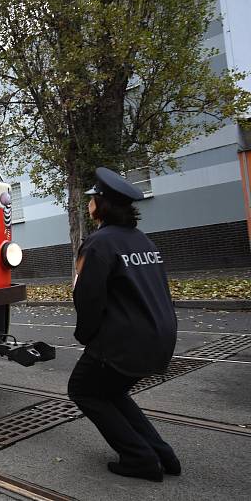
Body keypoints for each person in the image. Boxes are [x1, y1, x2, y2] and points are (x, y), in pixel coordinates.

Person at [69, 167, 180, 482]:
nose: (89, 202)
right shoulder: (142, 240)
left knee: (82, 389)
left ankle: (139, 458)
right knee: (112, 392)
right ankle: (162, 454)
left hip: (124, 340)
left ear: (101, 204)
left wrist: (87, 336)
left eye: (93, 197)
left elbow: (89, 299)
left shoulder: (98, 244)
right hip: (160, 334)